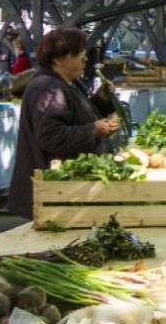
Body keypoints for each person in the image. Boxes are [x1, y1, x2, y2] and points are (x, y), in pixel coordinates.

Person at [7, 27, 120, 219]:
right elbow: (51, 137)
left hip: (64, 193)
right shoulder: (48, 88)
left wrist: (100, 100)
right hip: (54, 195)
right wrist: (93, 131)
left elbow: (77, 117)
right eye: (78, 54)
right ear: (58, 59)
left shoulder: (66, 83)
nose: (85, 59)